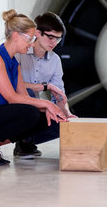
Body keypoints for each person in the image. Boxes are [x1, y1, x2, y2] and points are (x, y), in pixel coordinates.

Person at [0, 9, 68, 166]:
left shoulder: (14, 63)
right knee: (30, 113)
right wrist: (47, 104)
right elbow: (12, 97)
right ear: (16, 36)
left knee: (47, 119)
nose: (31, 43)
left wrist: (53, 111)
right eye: (30, 39)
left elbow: (25, 99)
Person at [14, 11, 76, 159]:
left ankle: (27, 141)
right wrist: (44, 88)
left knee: (63, 124)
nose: (54, 43)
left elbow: (59, 94)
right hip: (16, 104)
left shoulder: (55, 61)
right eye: (50, 37)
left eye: (58, 39)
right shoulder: (20, 53)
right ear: (37, 33)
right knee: (31, 105)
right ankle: (22, 139)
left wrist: (66, 114)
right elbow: (13, 87)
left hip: (36, 108)